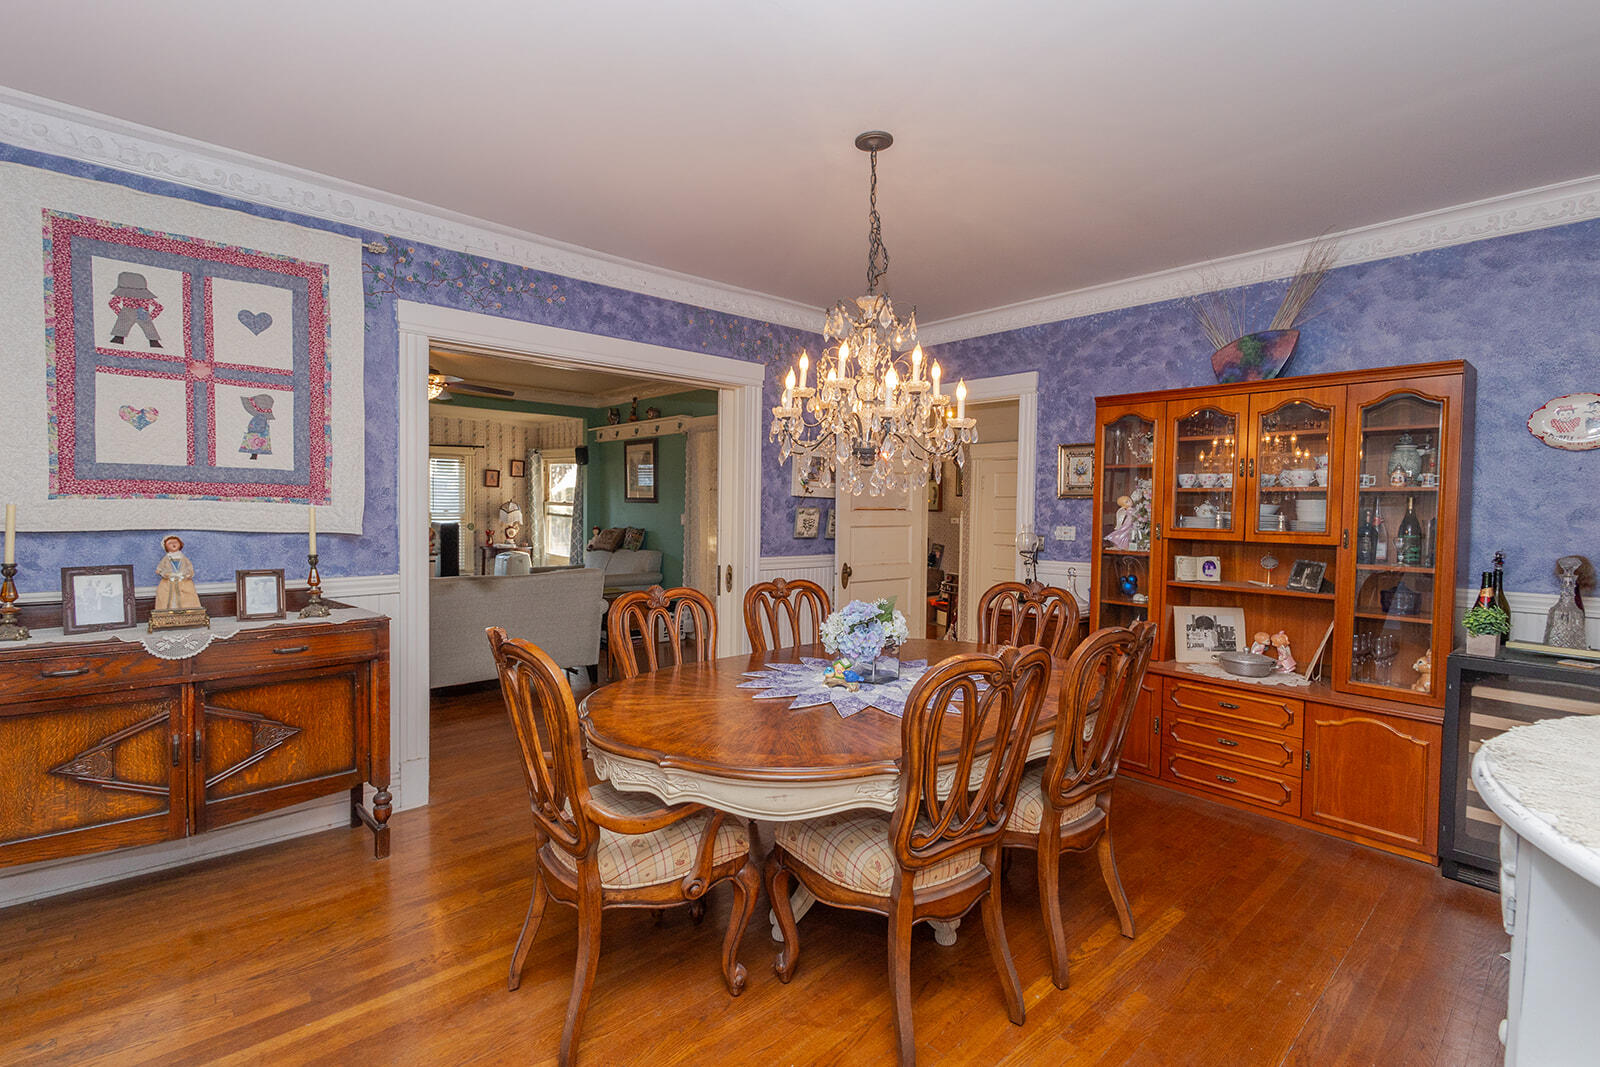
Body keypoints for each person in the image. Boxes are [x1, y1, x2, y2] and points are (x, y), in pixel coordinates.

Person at [154, 535, 201, 612]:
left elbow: (189, 567)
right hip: (169, 580)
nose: (173, 544)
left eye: (175, 542)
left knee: (187, 595)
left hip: (182, 579)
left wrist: (188, 573)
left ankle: (188, 612)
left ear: (180, 544)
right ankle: (168, 612)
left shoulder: (183, 557)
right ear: (166, 547)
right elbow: (160, 568)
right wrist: (162, 572)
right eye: (170, 543)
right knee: (166, 595)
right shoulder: (166, 558)